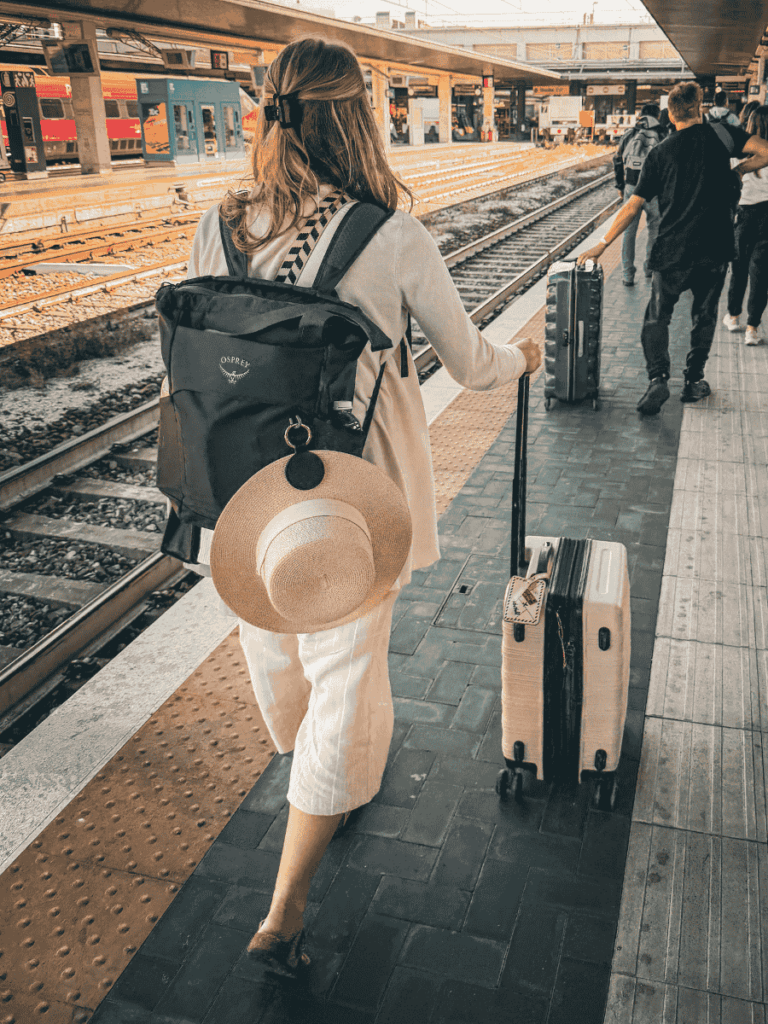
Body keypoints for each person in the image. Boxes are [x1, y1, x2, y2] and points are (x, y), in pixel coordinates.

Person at [185, 36, 541, 972]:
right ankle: (285, 908)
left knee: (273, 647)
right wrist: (522, 359)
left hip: (241, 493)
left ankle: (315, 771)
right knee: (347, 672)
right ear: (358, 115)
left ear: (272, 112)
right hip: (351, 496)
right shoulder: (389, 234)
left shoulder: (220, 223)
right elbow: (469, 361)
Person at [577, 80, 768, 414]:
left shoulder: (660, 153)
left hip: (672, 250)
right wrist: (738, 170)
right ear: (699, 108)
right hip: (715, 248)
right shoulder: (724, 136)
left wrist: (601, 244)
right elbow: (765, 151)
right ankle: (694, 381)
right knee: (704, 317)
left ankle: (658, 379)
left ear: (670, 113)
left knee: (657, 317)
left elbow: (632, 206)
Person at [723, 105, 768, 344]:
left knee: (738, 269)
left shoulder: (739, 152)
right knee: (761, 275)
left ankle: (733, 316)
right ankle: (752, 329)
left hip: (744, 215)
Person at [612, 103, 664, 286]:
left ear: (641, 115)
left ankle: (627, 275)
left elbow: (617, 159)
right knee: (655, 229)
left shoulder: (629, 134)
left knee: (629, 231)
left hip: (631, 186)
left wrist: (620, 184)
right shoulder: (662, 133)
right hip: (653, 190)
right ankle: (649, 267)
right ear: (657, 115)